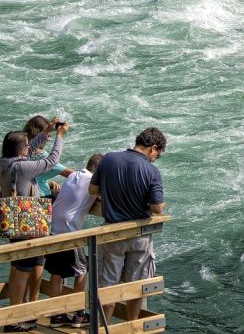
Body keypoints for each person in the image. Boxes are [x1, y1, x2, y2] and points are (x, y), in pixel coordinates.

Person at [89, 127, 166, 322]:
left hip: (112, 234)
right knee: (137, 286)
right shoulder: (151, 171)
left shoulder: (108, 159)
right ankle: (131, 325)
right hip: (139, 236)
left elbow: (92, 189)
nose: (155, 159)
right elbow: (157, 208)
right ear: (153, 147)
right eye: (157, 154)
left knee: (108, 286)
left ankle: (102, 326)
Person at [0, 119, 68, 332]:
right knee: (23, 270)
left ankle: (15, 314)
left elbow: (33, 147)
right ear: (21, 150)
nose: (30, 147)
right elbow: (52, 159)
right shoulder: (24, 167)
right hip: (27, 224)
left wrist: (46, 130)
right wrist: (59, 136)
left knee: (19, 267)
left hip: (13, 220)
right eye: (27, 145)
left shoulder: (5, 162)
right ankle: (15, 319)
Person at [44, 153, 103, 328]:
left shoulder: (74, 175)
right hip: (68, 231)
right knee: (82, 270)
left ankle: (57, 316)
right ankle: (79, 314)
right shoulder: (92, 180)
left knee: (57, 274)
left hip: (53, 227)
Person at [23, 115, 72, 198]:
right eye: (49, 134)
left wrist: (48, 183)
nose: (49, 137)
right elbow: (69, 173)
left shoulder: (19, 153)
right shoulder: (41, 155)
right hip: (41, 201)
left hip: (23, 202)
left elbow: (33, 179)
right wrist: (59, 135)